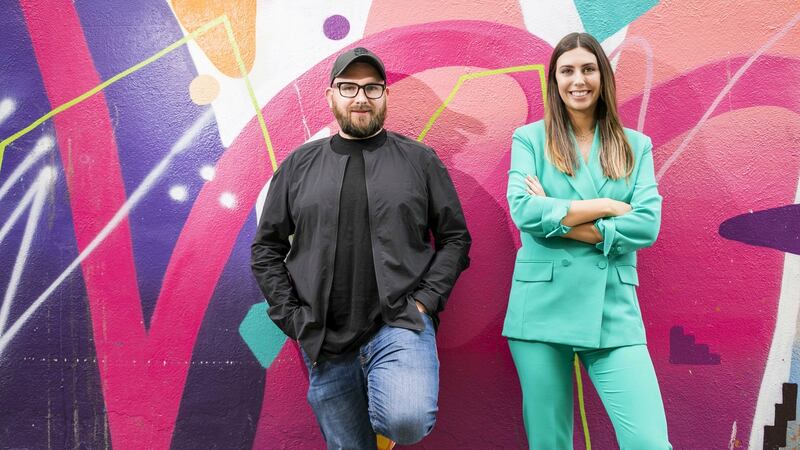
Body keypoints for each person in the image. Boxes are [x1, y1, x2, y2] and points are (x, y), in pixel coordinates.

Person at [251, 47, 471, 449]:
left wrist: (425, 301)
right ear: (331, 96)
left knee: (406, 419)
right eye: (348, 87)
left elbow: (456, 237)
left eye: (372, 88)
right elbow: (266, 248)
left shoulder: (419, 160)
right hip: (324, 336)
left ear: (385, 96)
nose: (361, 97)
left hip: (399, 324)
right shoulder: (299, 165)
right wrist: (293, 318)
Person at [504, 33, 672, 449]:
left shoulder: (636, 146)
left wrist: (557, 218)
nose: (578, 80)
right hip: (540, 310)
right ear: (554, 81)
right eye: (567, 71)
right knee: (550, 442)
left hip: (613, 309)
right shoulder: (529, 139)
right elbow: (523, 210)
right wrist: (609, 206)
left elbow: (647, 226)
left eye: (588, 68)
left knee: (650, 442)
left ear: (603, 76)